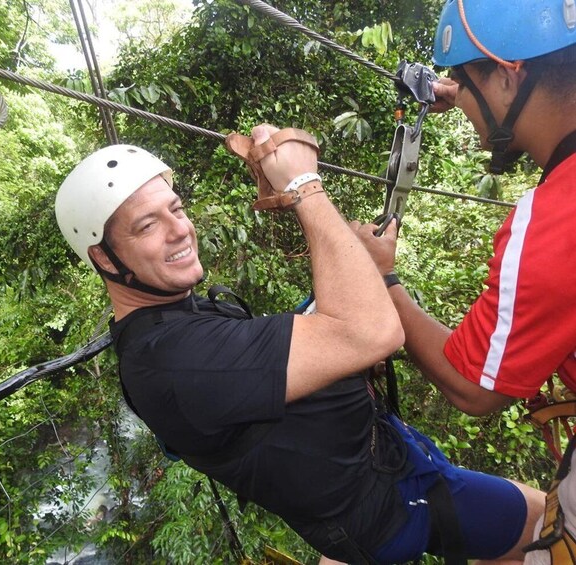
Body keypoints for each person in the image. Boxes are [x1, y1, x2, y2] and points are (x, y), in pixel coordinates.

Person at [54, 123, 543, 563]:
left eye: (175, 209)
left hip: (385, 477)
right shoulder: (175, 361)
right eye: (147, 225)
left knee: (525, 527)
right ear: (104, 257)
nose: (180, 229)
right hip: (391, 508)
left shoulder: (176, 318)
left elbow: (300, 339)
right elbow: (370, 332)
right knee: (542, 523)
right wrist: (304, 188)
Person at [352, 0, 576, 561]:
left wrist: (383, 278)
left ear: (507, 74)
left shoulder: (551, 224)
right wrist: (469, 93)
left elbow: (471, 385)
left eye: (461, 80)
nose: (456, 95)